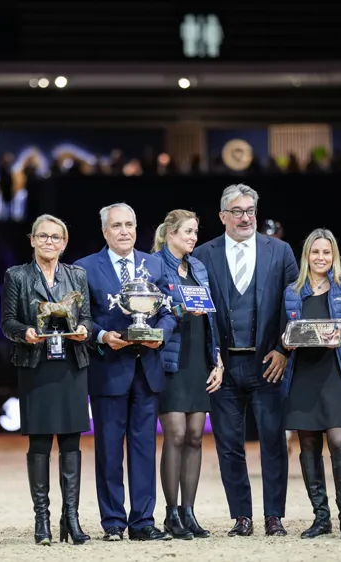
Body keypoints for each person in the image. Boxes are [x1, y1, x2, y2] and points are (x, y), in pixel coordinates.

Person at [192, 184, 298, 537]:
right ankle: (241, 516)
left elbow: (292, 306)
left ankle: (274, 516)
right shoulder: (203, 255)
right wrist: (211, 357)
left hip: (268, 362)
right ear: (222, 216)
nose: (245, 217)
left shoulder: (280, 252)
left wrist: (284, 349)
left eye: (250, 210)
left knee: (272, 440)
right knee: (228, 444)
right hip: (222, 366)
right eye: (237, 211)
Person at [75, 203, 177, 542]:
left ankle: (144, 521)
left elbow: (170, 311)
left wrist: (160, 334)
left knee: (145, 448)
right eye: (117, 225)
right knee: (108, 449)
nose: (124, 231)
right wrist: (103, 336)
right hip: (108, 369)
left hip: (147, 368)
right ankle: (114, 523)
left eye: (129, 224)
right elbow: (81, 319)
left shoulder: (156, 264)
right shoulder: (85, 268)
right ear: (105, 231)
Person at [0, 214, 92, 546]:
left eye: (55, 237)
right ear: (32, 240)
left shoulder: (77, 276)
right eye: (43, 236)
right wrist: (25, 332)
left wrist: (84, 330)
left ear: (64, 243)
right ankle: (42, 520)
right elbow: (6, 322)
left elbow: (88, 319)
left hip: (71, 364)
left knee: (71, 443)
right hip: (36, 364)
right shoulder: (17, 276)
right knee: (39, 443)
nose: (49, 242)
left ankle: (72, 518)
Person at [280, 228, 341, 540]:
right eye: (315, 252)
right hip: (304, 375)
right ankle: (322, 518)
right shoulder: (292, 291)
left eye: (326, 252)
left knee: (339, 443)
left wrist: (339, 335)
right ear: (306, 255)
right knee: (308, 445)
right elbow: (284, 333)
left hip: (338, 373)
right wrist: (287, 342)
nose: (321, 257)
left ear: (334, 256)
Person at [150, 209, 223, 539]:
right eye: (188, 232)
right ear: (170, 235)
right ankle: (171, 514)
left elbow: (211, 318)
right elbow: (147, 311)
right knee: (175, 434)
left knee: (195, 436)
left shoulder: (198, 267)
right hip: (171, 358)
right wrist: (178, 309)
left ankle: (189, 512)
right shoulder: (154, 265)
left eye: (196, 231)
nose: (194, 237)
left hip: (198, 356)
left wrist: (217, 359)